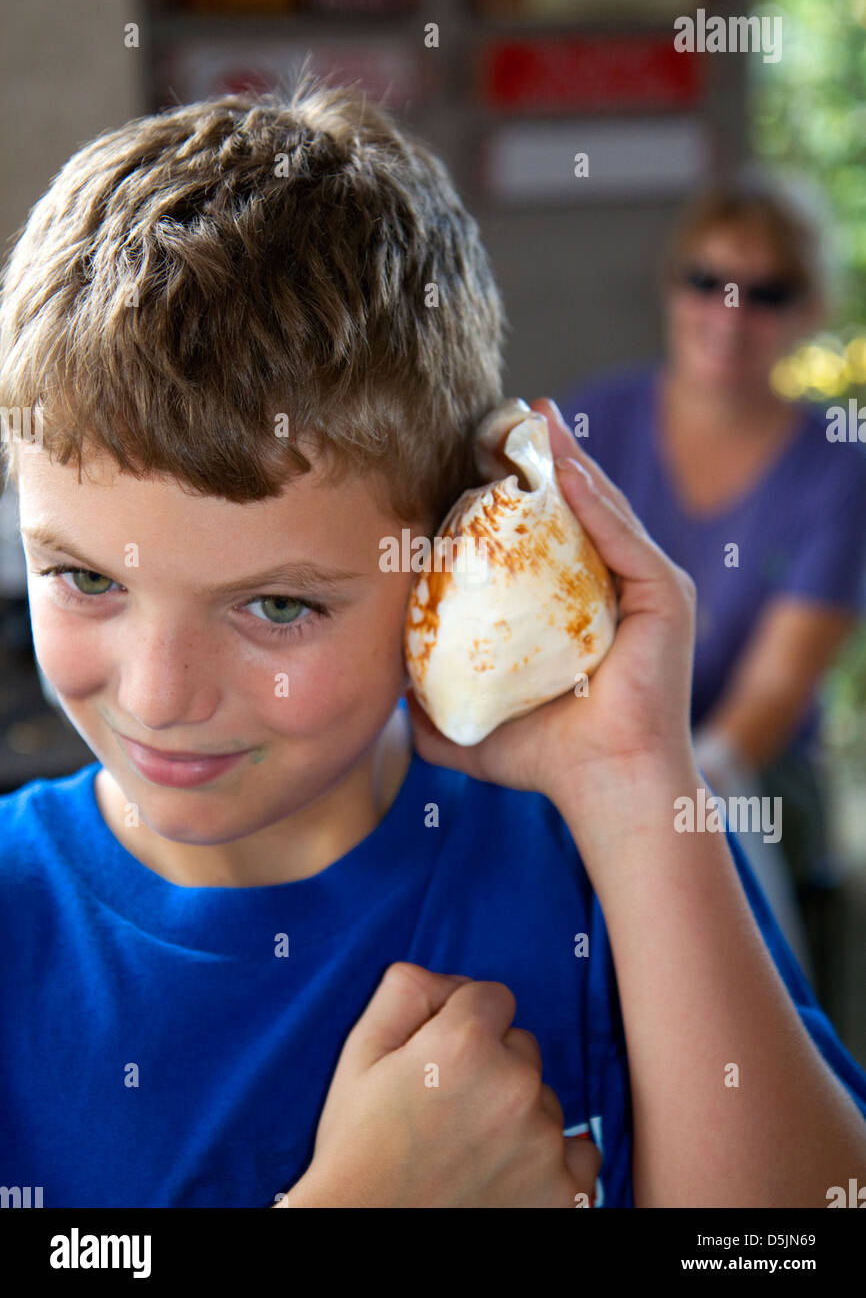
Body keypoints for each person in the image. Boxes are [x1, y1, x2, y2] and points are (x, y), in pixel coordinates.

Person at [0, 78, 865, 1210]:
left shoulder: (596, 860)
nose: (160, 698)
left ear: (449, 559)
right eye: (83, 578)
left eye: (276, 607)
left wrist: (626, 779)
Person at [559, 178, 866, 993]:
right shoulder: (591, 423)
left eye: (765, 293)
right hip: (585, 745)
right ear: (672, 285)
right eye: (708, 281)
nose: (729, 315)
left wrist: (671, 799)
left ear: (808, 310)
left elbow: (773, 691)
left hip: (748, 775)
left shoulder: (838, 468)